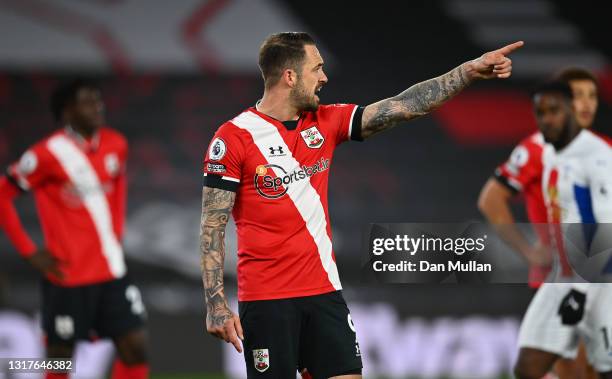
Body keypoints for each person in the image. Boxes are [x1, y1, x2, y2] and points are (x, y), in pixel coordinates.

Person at [199, 31, 522, 378]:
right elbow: (212, 225)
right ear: (289, 76)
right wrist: (216, 303)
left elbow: (406, 106)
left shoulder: (327, 121)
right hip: (266, 301)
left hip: (324, 293)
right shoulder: (233, 138)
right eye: (316, 69)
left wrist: (469, 71)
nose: (324, 77)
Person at [0, 80, 148, 379]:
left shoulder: (116, 144)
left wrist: (116, 233)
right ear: (67, 112)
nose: (97, 106)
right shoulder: (46, 154)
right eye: (87, 101)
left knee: (135, 349)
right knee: (60, 359)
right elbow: (3, 194)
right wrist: (29, 252)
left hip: (111, 270)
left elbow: (118, 185)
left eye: (98, 99)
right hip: (67, 277)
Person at [512, 81, 612, 379]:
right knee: (528, 366)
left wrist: (581, 292)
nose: (546, 119)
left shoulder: (597, 156)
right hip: (563, 277)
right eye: (540, 112)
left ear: (572, 109)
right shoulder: (550, 155)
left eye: (554, 110)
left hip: (599, 279)